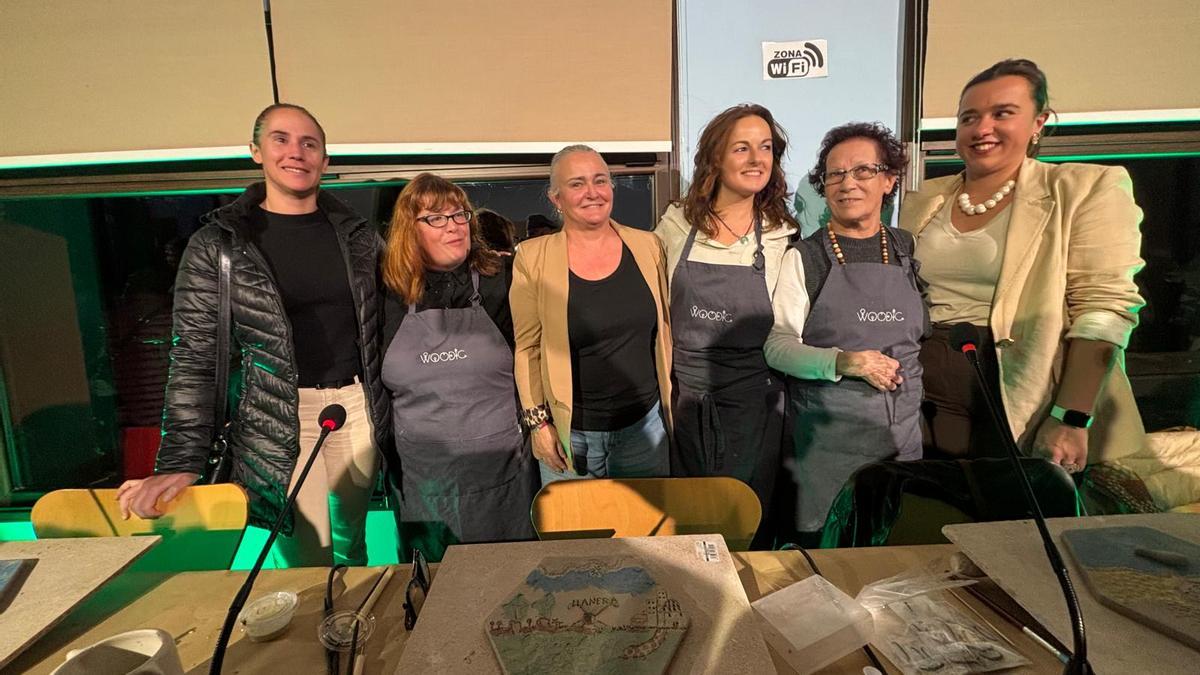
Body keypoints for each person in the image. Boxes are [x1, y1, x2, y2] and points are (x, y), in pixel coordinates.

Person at [117, 103, 389, 567]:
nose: (296, 152)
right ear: (255, 152)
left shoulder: (358, 237)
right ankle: (314, 637)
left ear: (325, 160)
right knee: (304, 558)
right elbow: (195, 356)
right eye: (280, 139)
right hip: (277, 415)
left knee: (355, 546)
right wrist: (180, 461)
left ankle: (351, 632)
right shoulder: (219, 245)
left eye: (309, 143)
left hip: (359, 408)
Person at [900, 59, 1145, 471]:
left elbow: (1104, 310)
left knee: (1013, 523)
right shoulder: (924, 197)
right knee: (939, 514)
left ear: (1038, 122)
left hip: (1022, 389)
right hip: (926, 388)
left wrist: (1070, 416)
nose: (982, 129)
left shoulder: (1085, 188)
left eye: (1003, 114)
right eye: (969, 117)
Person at [764, 122, 926, 541]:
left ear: (889, 179)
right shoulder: (806, 257)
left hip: (901, 443)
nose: (847, 183)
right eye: (834, 174)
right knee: (828, 560)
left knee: (897, 554)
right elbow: (778, 347)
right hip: (827, 448)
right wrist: (844, 362)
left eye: (863, 171)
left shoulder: (908, 248)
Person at [655, 104, 797, 535]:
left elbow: (790, 328)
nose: (757, 159)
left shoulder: (781, 236)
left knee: (746, 521)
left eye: (766, 147)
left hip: (754, 406)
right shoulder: (676, 224)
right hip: (685, 402)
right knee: (688, 523)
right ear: (715, 158)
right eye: (742, 148)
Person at [380, 173, 537, 561]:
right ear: (409, 231)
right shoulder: (385, 296)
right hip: (425, 486)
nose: (453, 226)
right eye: (436, 218)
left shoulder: (502, 281)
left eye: (459, 215)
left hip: (504, 477)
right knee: (437, 594)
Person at [510, 145, 673, 483]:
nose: (592, 193)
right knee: (576, 535)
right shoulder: (531, 257)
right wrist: (538, 424)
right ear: (556, 198)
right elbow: (528, 349)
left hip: (644, 428)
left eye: (600, 181)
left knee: (648, 532)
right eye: (577, 184)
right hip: (573, 434)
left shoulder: (649, 247)